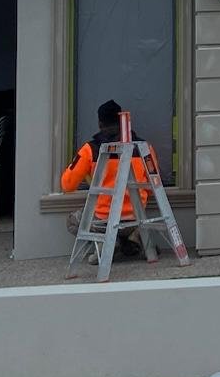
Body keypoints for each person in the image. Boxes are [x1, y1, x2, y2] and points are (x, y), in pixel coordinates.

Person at [62, 99, 156, 259]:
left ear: (100, 124)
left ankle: (106, 243)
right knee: (129, 227)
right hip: (136, 219)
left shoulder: (90, 150)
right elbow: (154, 186)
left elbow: (67, 185)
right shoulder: (143, 147)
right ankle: (132, 239)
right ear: (122, 121)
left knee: (72, 220)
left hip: (103, 221)